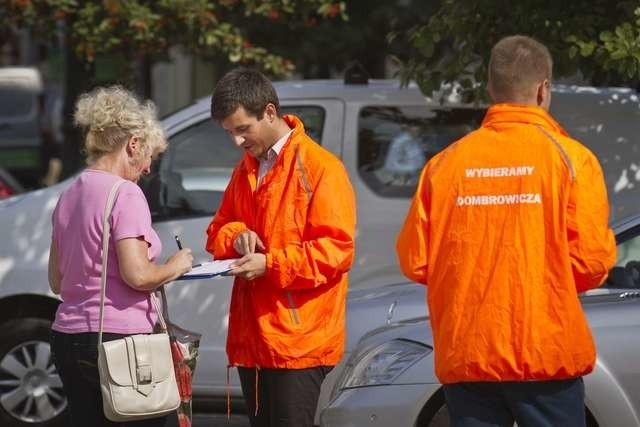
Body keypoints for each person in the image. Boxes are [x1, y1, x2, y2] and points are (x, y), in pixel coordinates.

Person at [396, 35, 617, 427]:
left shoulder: (445, 164)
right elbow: (591, 265)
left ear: (489, 90)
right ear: (543, 89)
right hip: (545, 353)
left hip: (467, 352)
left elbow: (415, 261)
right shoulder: (571, 160)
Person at [205, 68, 356, 427]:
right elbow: (216, 232)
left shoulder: (321, 168)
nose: (238, 142)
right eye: (230, 133)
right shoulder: (245, 171)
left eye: (243, 130)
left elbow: (335, 251)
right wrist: (237, 234)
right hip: (255, 338)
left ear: (269, 112)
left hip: (299, 342)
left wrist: (270, 264)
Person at [48, 85, 193, 426]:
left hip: (67, 337)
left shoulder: (68, 194)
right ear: (132, 145)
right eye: (149, 158)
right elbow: (138, 275)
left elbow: (57, 281)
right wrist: (176, 265)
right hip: (121, 342)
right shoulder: (126, 194)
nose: (146, 169)